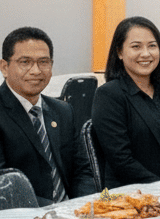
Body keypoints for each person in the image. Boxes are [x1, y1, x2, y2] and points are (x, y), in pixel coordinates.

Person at [91, 16, 160, 187]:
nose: (146, 54)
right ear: (119, 52)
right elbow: (121, 161)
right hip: (133, 193)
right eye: (136, 47)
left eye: (152, 46)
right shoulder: (109, 95)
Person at [0, 26, 95, 204]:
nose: (36, 71)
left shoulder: (63, 111)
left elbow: (82, 170)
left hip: (73, 212)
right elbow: (4, 189)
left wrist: (84, 207)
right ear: (4, 67)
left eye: (43, 62)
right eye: (25, 62)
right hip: (24, 215)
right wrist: (55, 212)